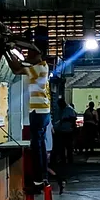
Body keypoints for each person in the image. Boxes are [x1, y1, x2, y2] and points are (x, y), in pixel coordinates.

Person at [25, 46, 51, 188]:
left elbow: (16, 69)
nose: (27, 56)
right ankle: (43, 176)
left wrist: (8, 53)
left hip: (38, 111)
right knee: (40, 144)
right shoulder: (42, 67)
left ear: (38, 54)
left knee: (36, 145)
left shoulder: (39, 68)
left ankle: (38, 178)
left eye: (30, 53)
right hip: (43, 111)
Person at [54, 96, 77, 167]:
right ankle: (63, 160)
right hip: (61, 131)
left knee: (69, 146)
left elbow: (73, 119)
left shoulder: (69, 110)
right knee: (61, 146)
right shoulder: (59, 110)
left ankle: (70, 160)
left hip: (68, 130)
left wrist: (66, 120)